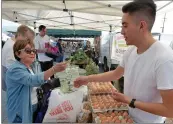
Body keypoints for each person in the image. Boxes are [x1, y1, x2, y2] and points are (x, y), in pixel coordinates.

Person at [74, 0, 173, 123]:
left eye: (125, 25)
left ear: (142, 25)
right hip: (128, 116)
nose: (121, 31)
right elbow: (115, 74)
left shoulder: (164, 58)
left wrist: (130, 101)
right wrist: (87, 79)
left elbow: (170, 110)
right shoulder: (131, 51)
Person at [6, 39, 67, 123]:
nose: (32, 53)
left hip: (32, 107)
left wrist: (55, 82)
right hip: (20, 112)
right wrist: (53, 70)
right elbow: (32, 80)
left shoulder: (30, 66)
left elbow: (38, 81)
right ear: (18, 54)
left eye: (33, 51)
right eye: (28, 51)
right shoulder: (15, 69)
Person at [2, 25, 35, 91]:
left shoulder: (11, 41)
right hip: (11, 83)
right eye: (27, 39)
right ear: (20, 35)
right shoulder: (12, 46)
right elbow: (12, 68)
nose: (28, 42)